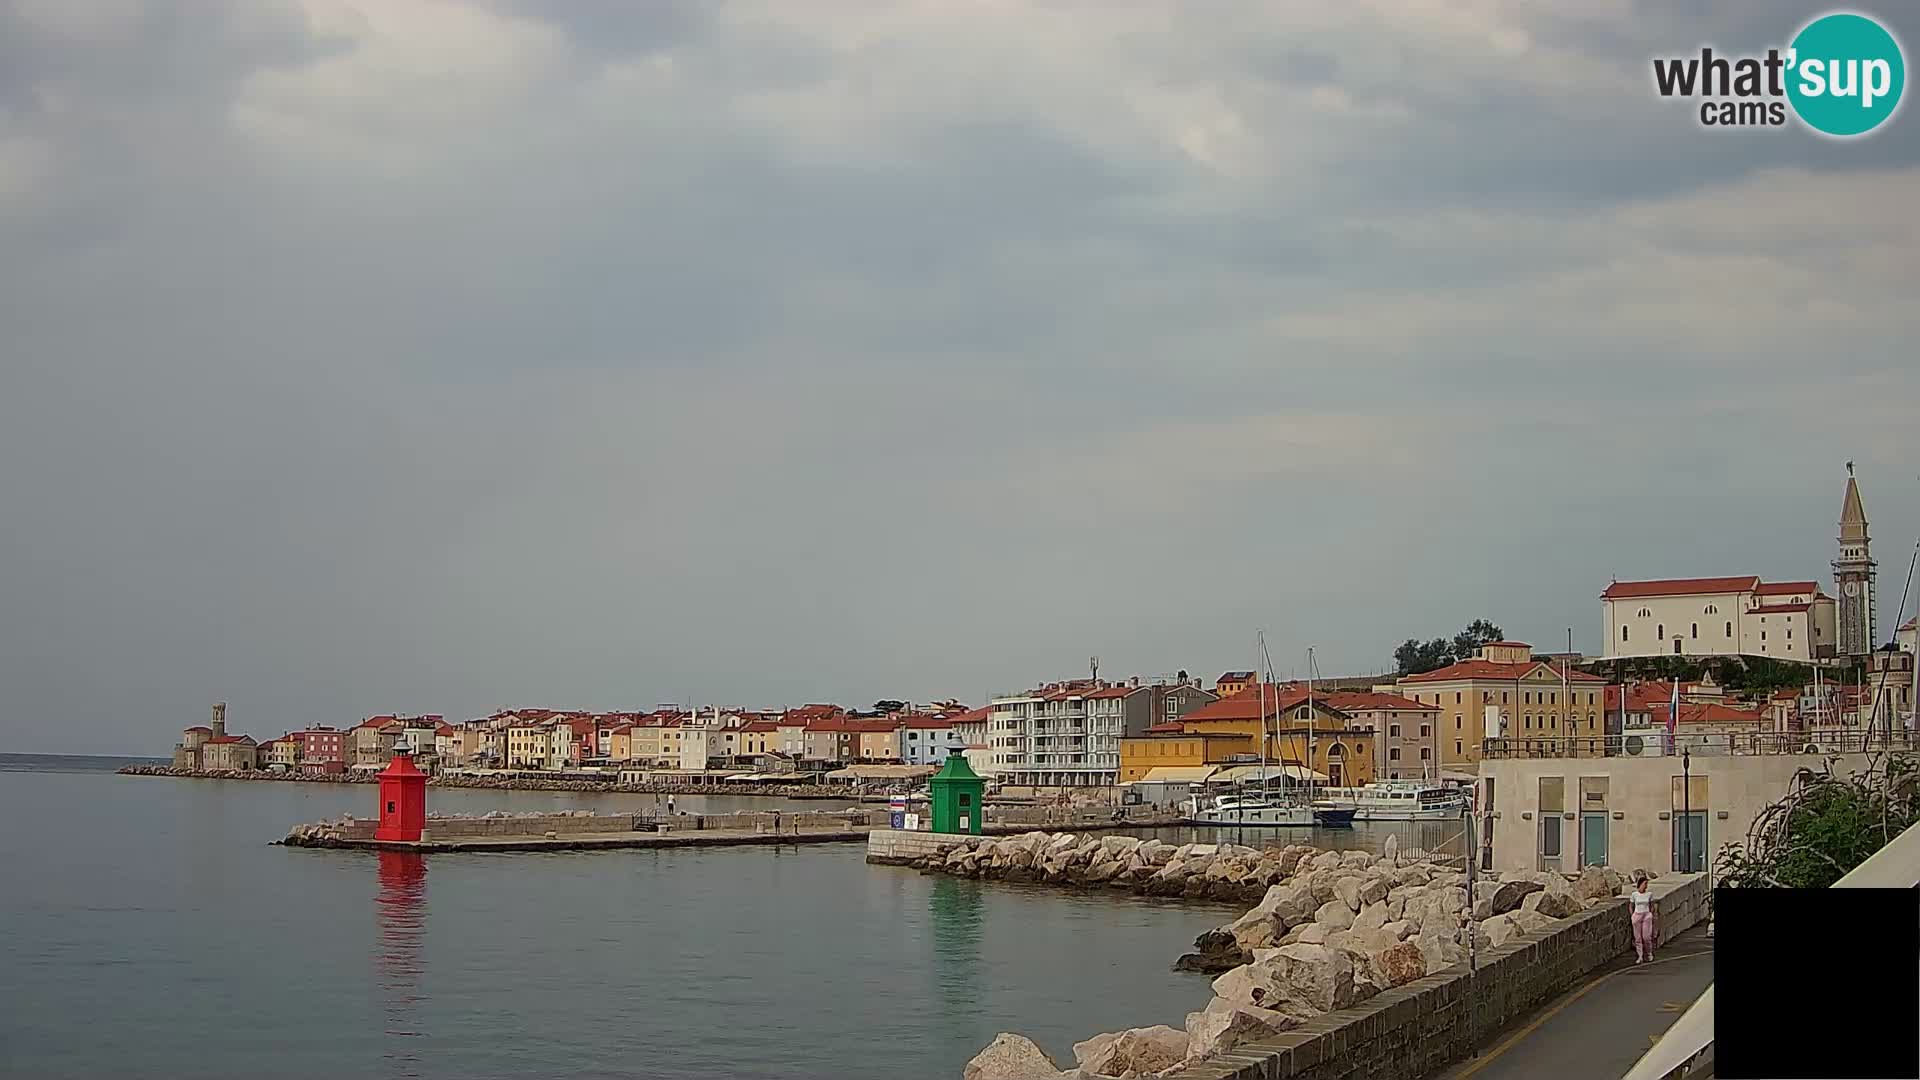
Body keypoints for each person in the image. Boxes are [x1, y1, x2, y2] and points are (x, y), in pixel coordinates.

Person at [1630, 872, 1656, 964]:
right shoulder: (1634, 894)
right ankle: (1640, 956)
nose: (1646, 886)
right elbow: (1631, 905)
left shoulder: (1649, 894)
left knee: (1646, 937)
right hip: (1637, 915)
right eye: (1645, 884)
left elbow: (1652, 905)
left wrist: (1651, 913)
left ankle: (1649, 953)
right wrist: (1632, 915)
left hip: (1646, 915)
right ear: (1640, 884)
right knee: (1638, 937)